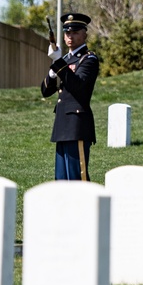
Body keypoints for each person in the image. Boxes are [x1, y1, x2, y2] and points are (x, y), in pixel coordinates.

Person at [41, 12, 99, 181]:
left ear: (84, 34)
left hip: (77, 124)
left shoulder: (89, 59)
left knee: (77, 179)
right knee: (62, 180)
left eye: (75, 32)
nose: (70, 36)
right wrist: (52, 74)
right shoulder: (65, 59)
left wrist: (59, 62)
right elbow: (45, 91)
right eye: (67, 33)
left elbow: (78, 86)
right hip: (62, 125)